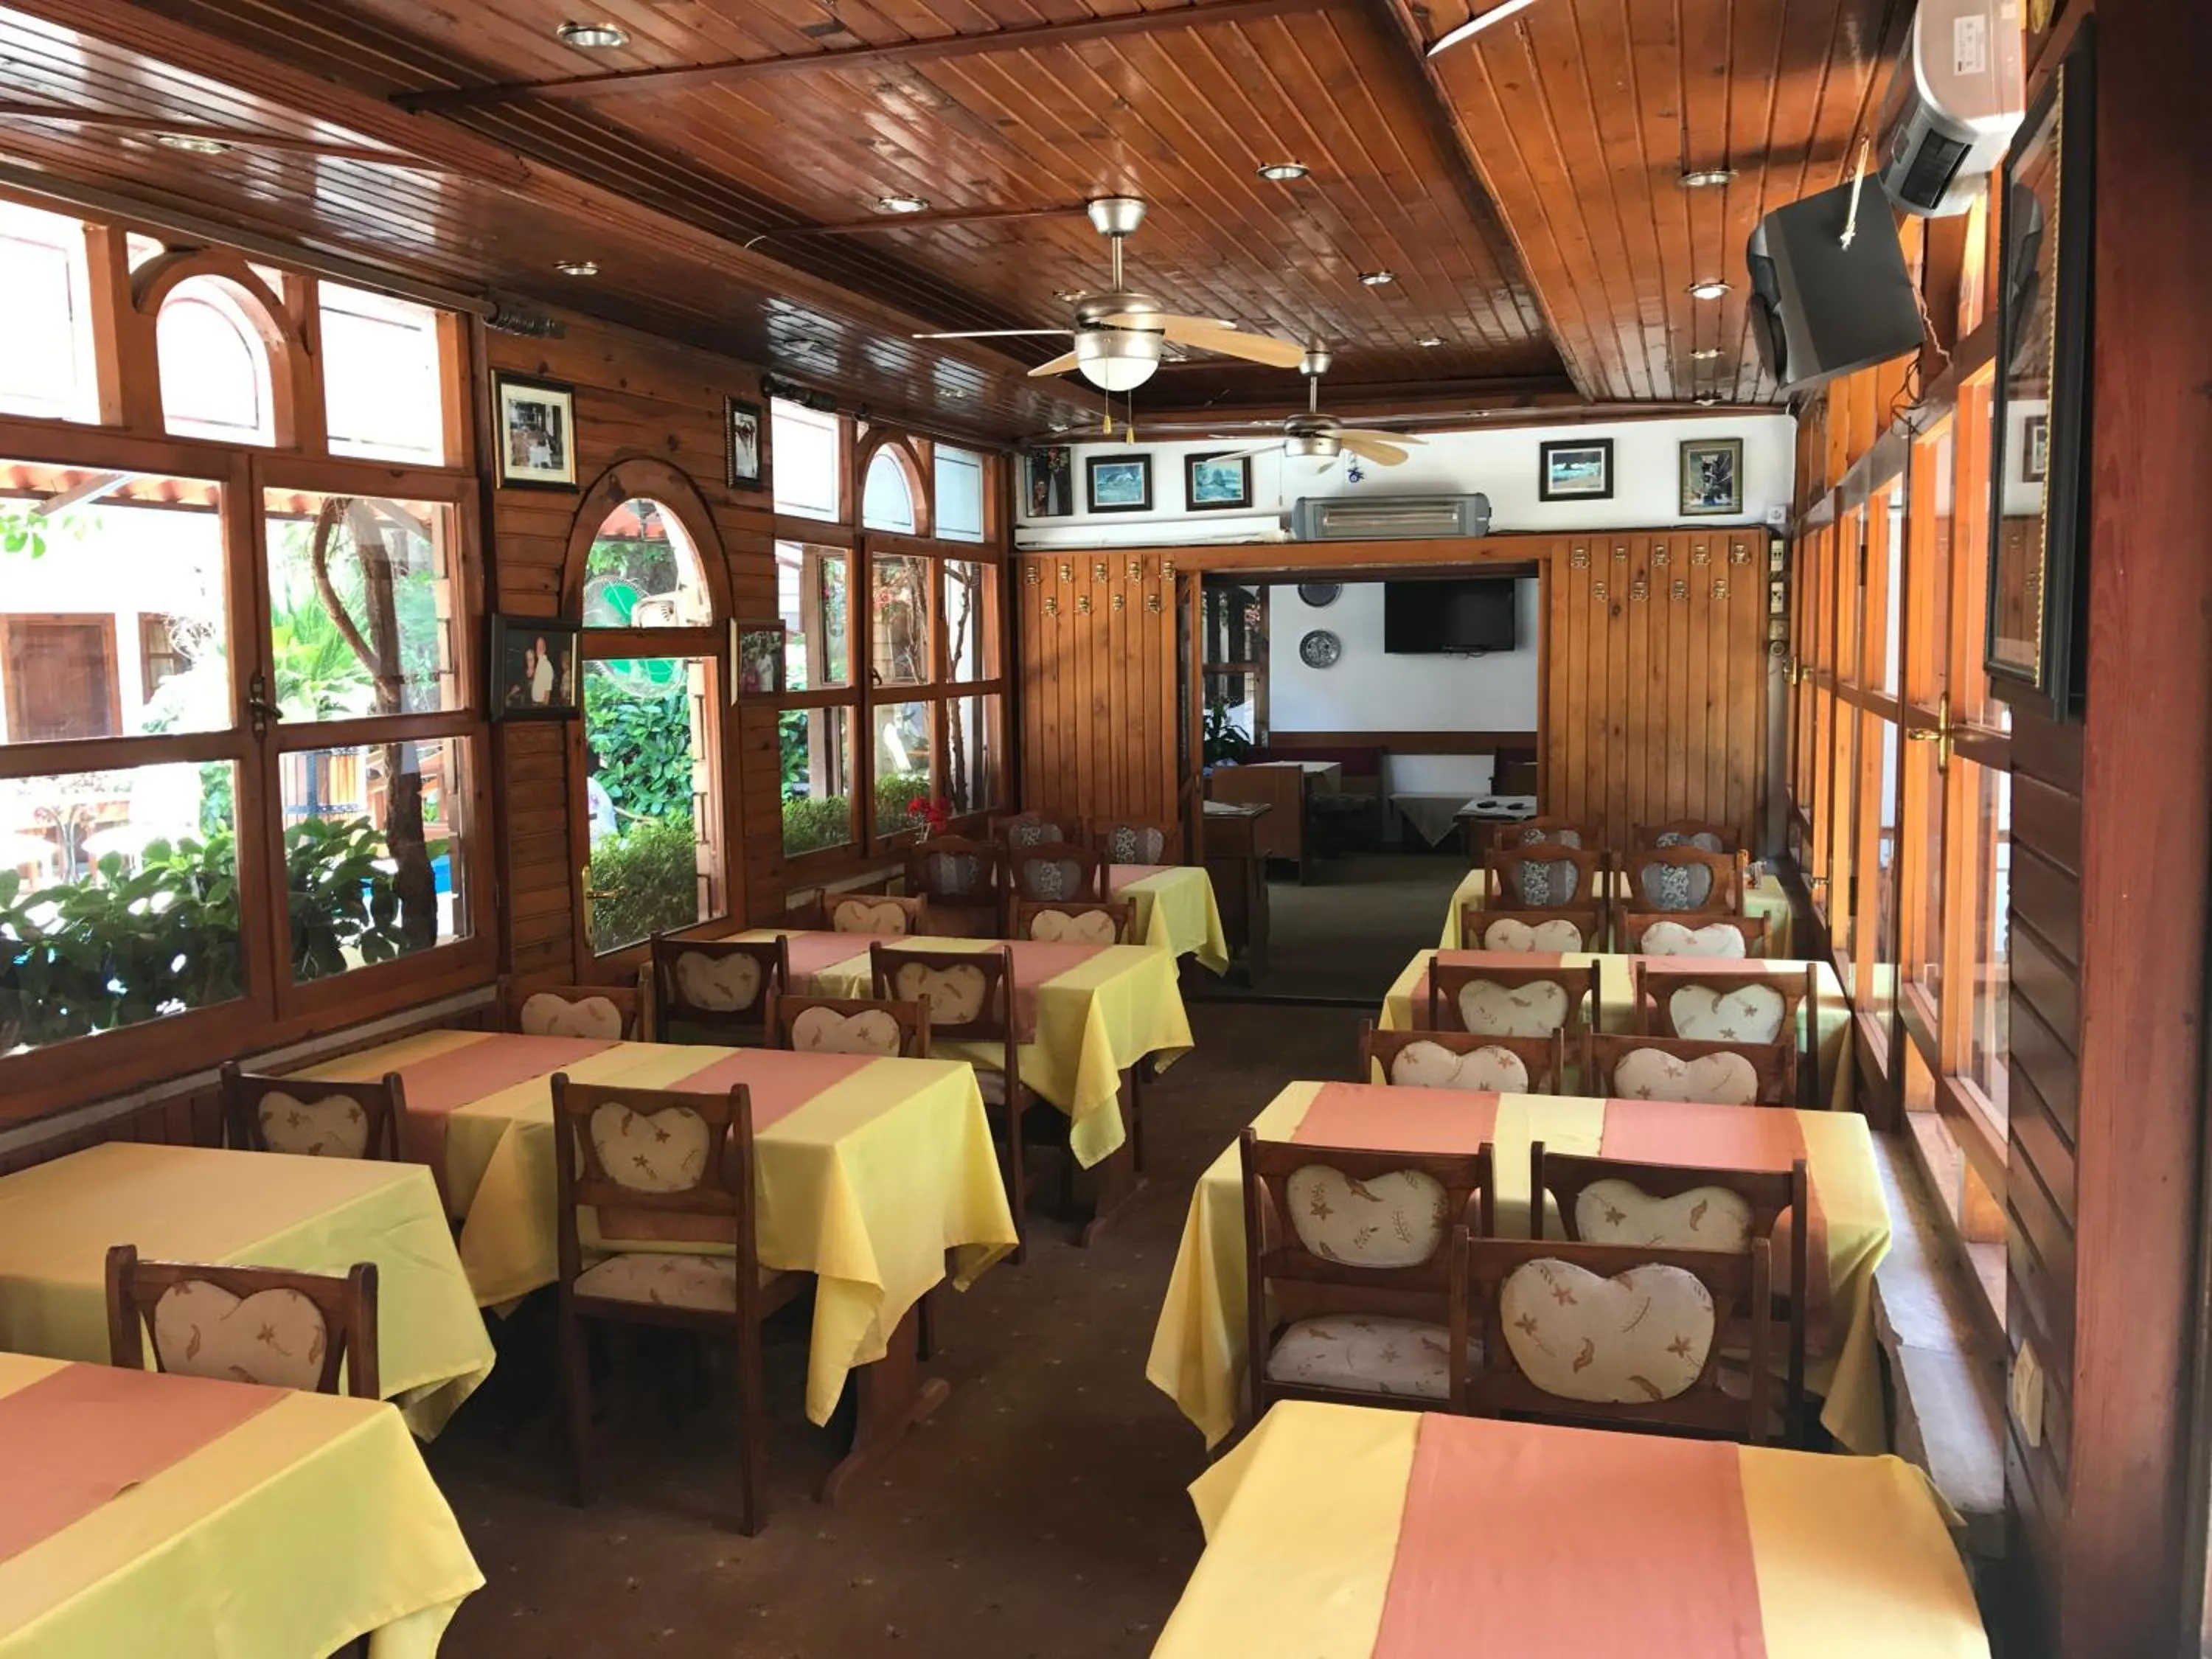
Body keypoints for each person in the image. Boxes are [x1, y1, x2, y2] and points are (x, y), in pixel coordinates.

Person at [531, 636, 556, 706]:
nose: (539, 648)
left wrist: (544, 708)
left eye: (541, 646)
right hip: (535, 704)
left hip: (540, 705)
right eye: (538, 646)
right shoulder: (539, 663)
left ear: (545, 648)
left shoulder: (547, 665)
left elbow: (547, 691)